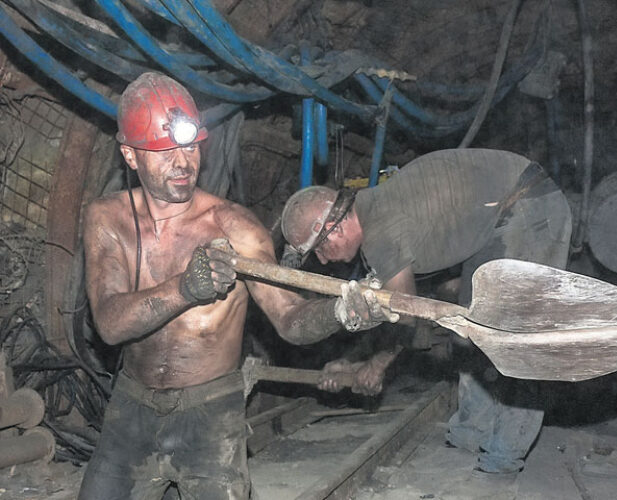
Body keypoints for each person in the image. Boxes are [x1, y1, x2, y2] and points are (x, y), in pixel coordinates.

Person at [78, 72, 395, 500]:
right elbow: (110, 324)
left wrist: (340, 311)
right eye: (165, 151)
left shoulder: (234, 227)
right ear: (130, 156)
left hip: (210, 411)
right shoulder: (107, 218)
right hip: (130, 408)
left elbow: (289, 319)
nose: (183, 162)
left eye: (191, 146)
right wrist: (185, 289)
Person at [280, 148, 573, 476]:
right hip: (499, 221)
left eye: (320, 248)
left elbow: (405, 314)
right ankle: (470, 433)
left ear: (335, 227)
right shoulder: (374, 212)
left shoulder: (380, 233)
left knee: (517, 339)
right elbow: (383, 308)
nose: (322, 259)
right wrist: (356, 361)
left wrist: (376, 365)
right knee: (470, 330)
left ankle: (504, 455)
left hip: (529, 208)